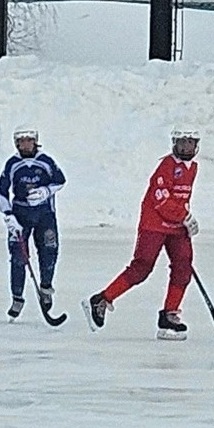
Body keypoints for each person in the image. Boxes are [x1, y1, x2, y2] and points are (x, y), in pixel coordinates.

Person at [86, 129, 202, 339]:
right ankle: (102, 298)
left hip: (176, 226)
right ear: (174, 144)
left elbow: (181, 197)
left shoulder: (193, 167)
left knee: (183, 267)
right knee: (142, 267)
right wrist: (184, 216)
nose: (187, 148)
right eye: (183, 143)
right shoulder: (166, 166)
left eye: (191, 144)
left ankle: (169, 316)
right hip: (154, 224)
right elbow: (161, 200)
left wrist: (185, 220)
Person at [0, 128, 66, 321]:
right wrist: (9, 216)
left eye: (29, 140)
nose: (26, 144)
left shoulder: (46, 161)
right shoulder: (12, 164)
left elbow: (60, 181)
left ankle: (46, 288)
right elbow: (1, 192)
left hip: (45, 214)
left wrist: (46, 191)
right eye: (21, 141)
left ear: (36, 142)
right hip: (21, 216)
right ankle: (17, 297)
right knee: (18, 256)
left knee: (49, 250)